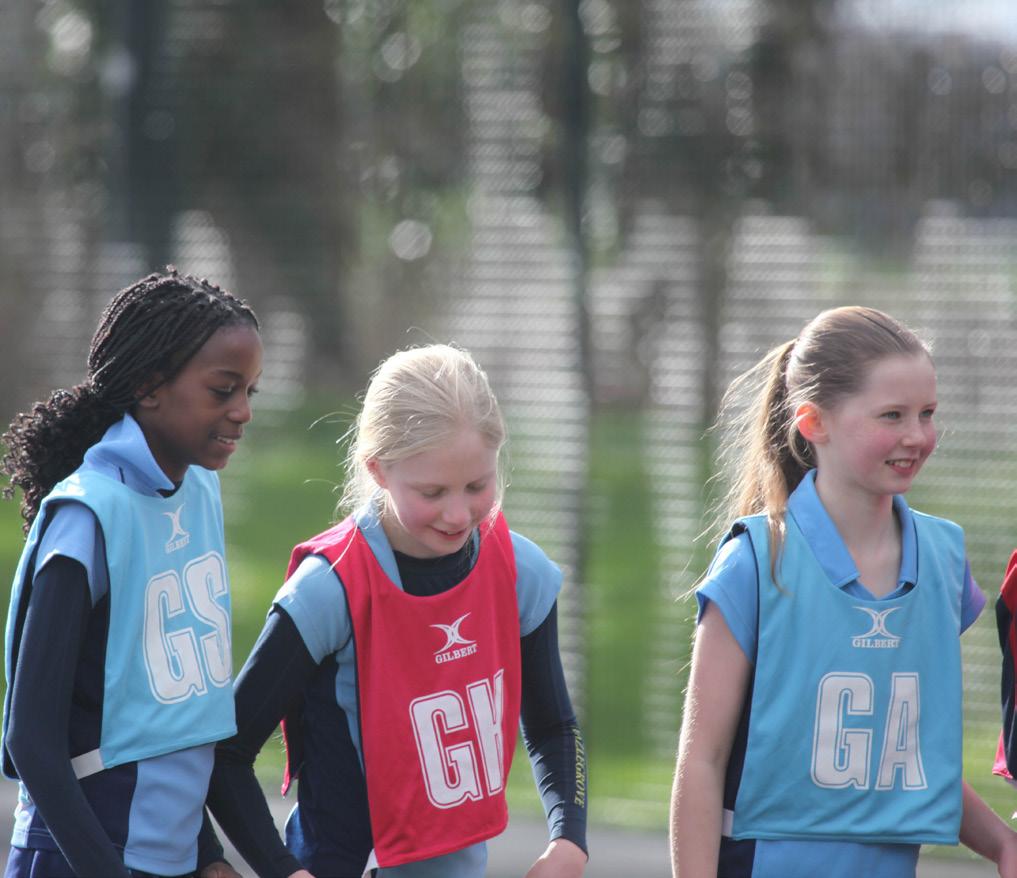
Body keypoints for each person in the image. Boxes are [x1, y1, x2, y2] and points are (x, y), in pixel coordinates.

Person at [206, 343, 588, 878]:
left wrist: (568, 841)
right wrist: (283, 870)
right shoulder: (329, 590)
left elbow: (553, 726)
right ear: (378, 470)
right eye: (432, 492)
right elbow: (227, 755)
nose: (458, 514)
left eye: (477, 486)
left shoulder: (519, 572)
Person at [669, 306, 1017, 877]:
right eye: (892, 415)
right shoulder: (756, 563)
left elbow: (903, 761)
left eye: (927, 413)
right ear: (813, 422)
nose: (917, 435)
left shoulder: (941, 561)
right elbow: (702, 761)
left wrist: (1001, 843)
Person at [0, 269, 262, 878]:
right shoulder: (87, 517)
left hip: (167, 857)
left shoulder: (199, 492)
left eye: (251, 391)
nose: (243, 411)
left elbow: (169, 714)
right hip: (75, 858)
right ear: (148, 388)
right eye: (223, 390)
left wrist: (205, 851)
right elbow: (31, 739)